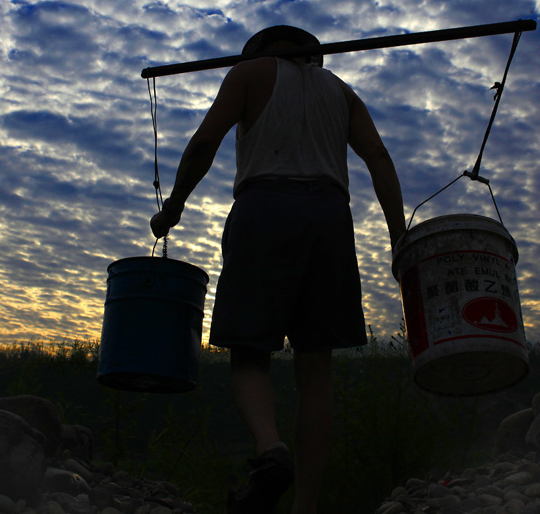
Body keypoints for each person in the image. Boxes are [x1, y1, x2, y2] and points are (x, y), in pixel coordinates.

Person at [150, 25, 405, 514]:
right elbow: (378, 156)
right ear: (313, 56)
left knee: (249, 356)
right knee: (316, 369)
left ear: (262, 49)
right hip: (330, 218)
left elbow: (206, 141)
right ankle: (304, 507)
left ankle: (271, 449)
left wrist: (174, 207)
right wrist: (398, 238)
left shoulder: (250, 73)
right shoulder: (342, 92)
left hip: (265, 208)